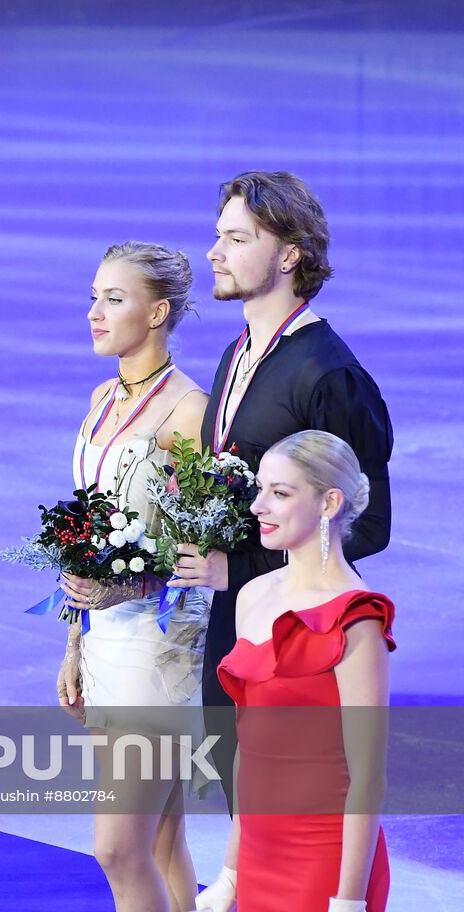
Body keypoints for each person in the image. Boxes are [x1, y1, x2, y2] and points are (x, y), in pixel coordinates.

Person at [171, 172, 393, 807]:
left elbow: (366, 526)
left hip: (298, 648)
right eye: (219, 236)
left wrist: (236, 568)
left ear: (289, 255)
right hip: (239, 628)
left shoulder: (330, 375)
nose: (214, 253)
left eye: (237, 239)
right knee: (246, 822)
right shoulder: (238, 353)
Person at [58, 242, 209, 911]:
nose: (95, 312)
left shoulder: (189, 412)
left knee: (117, 847)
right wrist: (72, 643)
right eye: (95, 296)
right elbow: (84, 529)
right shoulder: (101, 396)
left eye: (113, 299)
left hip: (159, 641)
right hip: (104, 636)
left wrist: (127, 588)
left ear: (158, 313)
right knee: (161, 842)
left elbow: (205, 545)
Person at [205, 430, 393, 912]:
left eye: (280, 493)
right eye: (261, 489)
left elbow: (367, 775)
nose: (257, 507)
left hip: (326, 863)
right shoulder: (251, 597)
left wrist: (347, 901)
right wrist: (231, 872)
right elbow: (250, 749)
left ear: (329, 502)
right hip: (258, 857)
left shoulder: (357, 620)